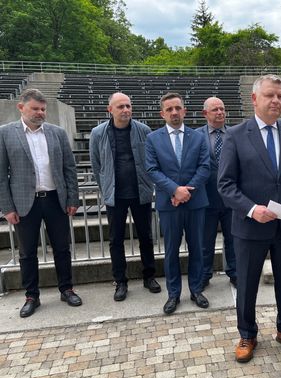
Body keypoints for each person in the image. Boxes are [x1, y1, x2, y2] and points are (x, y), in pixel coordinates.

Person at [218, 74, 281, 363]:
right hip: (250, 227)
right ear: (254, 99)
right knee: (247, 284)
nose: (276, 101)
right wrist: (251, 209)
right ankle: (247, 334)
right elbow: (225, 185)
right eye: (270, 95)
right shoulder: (235, 135)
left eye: (280, 96)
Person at [0, 88, 82, 317]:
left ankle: (67, 289)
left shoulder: (57, 133)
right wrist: (7, 207)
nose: (40, 113)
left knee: (62, 249)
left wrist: (73, 198)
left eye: (43, 109)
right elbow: (1, 175)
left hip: (56, 199)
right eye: (35, 108)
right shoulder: (5, 133)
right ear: (21, 107)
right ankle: (31, 296)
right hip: (25, 203)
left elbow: (69, 168)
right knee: (27, 253)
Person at [90, 92, 160, 301]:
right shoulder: (98, 133)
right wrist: (106, 188)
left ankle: (149, 276)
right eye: (120, 106)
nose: (126, 110)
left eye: (128, 106)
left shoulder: (144, 130)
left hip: (140, 192)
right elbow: (96, 165)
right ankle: (120, 281)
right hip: (115, 195)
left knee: (146, 237)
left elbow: (151, 160)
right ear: (110, 109)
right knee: (116, 239)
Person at [145, 92, 210, 315]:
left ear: (184, 111)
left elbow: (205, 167)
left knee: (197, 248)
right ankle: (173, 294)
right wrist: (175, 190)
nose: (174, 112)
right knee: (171, 250)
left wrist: (186, 191)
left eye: (177, 108)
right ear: (162, 114)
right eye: (169, 109)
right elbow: (152, 169)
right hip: (169, 204)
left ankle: (196, 289)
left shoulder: (198, 137)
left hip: (195, 202)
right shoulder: (153, 139)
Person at [195, 97, 237, 289]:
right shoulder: (196, 136)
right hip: (206, 198)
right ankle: (204, 274)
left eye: (222, 109)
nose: (220, 112)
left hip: (232, 199)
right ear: (205, 113)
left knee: (233, 239)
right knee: (205, 241)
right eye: (215, 110)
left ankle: (235, 273)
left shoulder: (235, 134)